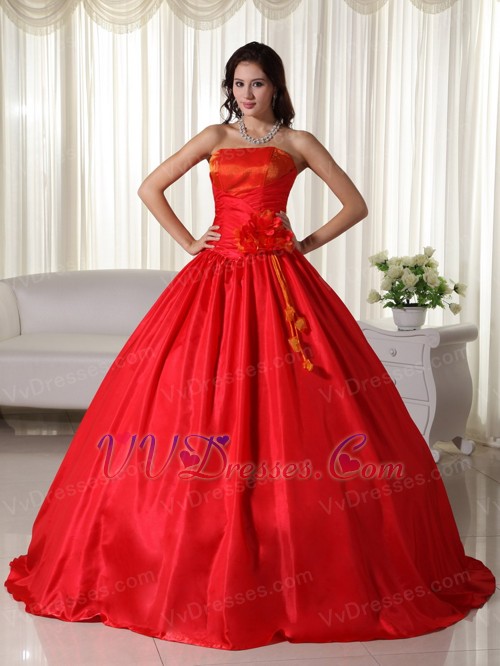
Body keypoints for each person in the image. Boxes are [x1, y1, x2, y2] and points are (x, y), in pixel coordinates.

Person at [4, 41, 495, 651]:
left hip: (282, 283)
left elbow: (355, 205)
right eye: (238, 84)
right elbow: (150, 187)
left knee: (299, 400)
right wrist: (192, 242)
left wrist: (304, 244)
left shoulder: (298, 143)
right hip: (215, 278)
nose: (247, 94)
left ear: (276, 87)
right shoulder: (214, 137)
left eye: (257, 83)